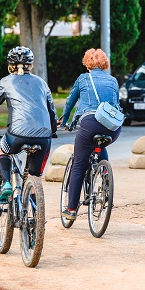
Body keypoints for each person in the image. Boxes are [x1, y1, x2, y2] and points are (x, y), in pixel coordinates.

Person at [0, 46, 57, 203]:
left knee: (2, 151)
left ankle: (6, 184)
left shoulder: (6, 82)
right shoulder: (42, 83)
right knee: (34, 176)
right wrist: (53, 130)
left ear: (10, 65)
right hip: (44, 137)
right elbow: (51, 111)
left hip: (16, 135)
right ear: (30, 65)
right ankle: (33, 219)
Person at [58, 48, 121, 220]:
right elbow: (117, 105)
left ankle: (71, 210)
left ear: (87, 63)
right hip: (112, 127)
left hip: (89, 123)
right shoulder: (113, 80)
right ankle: (106, 182)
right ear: (105, 63)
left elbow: (70, 101)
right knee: (101, 144)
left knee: (78, 165)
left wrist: (64, 122)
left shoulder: (83, 78)